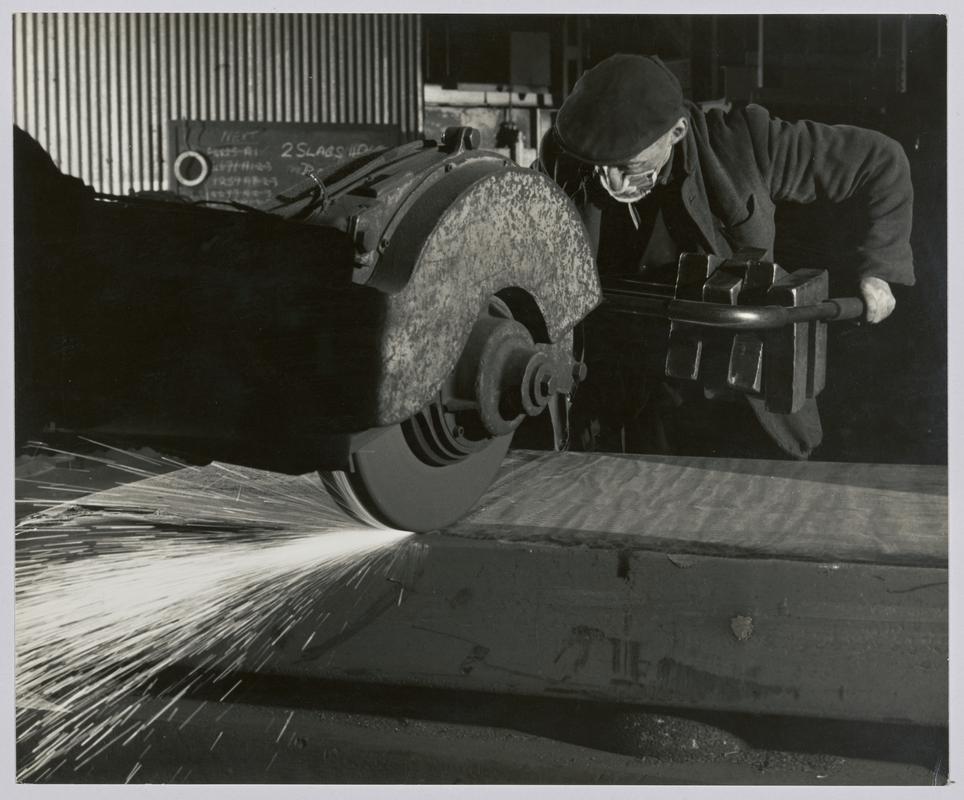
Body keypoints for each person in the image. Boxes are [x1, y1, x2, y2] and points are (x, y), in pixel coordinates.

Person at [537, 53, 915, 460]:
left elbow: (881, 160)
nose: (611, 181)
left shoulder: (746, 142)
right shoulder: (567, 160)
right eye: (601, 166)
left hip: (743, 395)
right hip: (632, 400)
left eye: (629, 163)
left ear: (677, 131)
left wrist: (880, 269)